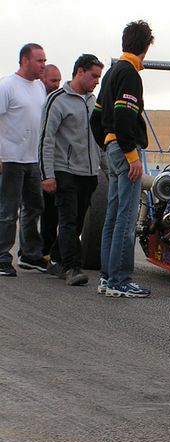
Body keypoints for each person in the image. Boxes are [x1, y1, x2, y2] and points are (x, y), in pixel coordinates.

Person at [90, 20, 154, 297]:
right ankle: (120, 280)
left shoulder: (111, 73)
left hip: (111, 149)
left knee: (112, 217)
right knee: (126, 219)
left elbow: (96, 118)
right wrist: (130, 155)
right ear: (146, 46)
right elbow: (125, 115)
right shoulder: (129, 74)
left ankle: (107, 278)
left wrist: (107, 146)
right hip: (125, 151)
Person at [39, 54, 105, 286]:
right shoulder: (57, 100)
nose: (96, 80)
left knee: (77, 221)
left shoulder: (93, 101)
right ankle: (72, 267)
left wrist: (100, 166)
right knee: (67, 220)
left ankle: (56, 259)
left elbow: (98, 137)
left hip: (88, 172)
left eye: (99, 76)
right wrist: (47, 175)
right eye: (93, 75)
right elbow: (46, 139)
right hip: (63, 169)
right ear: (79, 72)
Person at [0, 43, 48, 277]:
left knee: (34, 207)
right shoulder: (6, 86)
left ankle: (30, 255)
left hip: (32, 160)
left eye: (44, 60)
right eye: (40, 61)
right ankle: (1, 257)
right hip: (10, 159)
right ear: (25, 60)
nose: (43, 65)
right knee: (8, 212)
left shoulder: (39, 87)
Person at [40, 64, 62, 259]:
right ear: (42, 79)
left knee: (51, 212)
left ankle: (46, 250)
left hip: (52, 164)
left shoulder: (58, 101)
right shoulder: (39, 100)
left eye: (59, 81)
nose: (57, 84)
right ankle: (32, 252)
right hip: (33, 163)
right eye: (53, 81)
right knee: (34, 211)